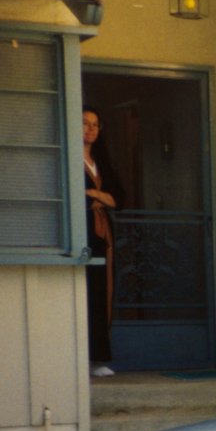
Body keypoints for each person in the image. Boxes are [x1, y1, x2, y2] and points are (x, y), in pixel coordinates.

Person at [82, 106, 121, 377]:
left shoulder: (101, 161)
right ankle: (80, 357)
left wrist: (95, 193)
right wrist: (99, 197)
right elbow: (77, 195)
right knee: (84, 291)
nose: (91, 129)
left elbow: (119, 197)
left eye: (95, 124)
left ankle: (98, 358)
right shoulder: (71, 158)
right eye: (85, 124)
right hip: (81, 231)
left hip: (102, 233)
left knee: (101, 292)